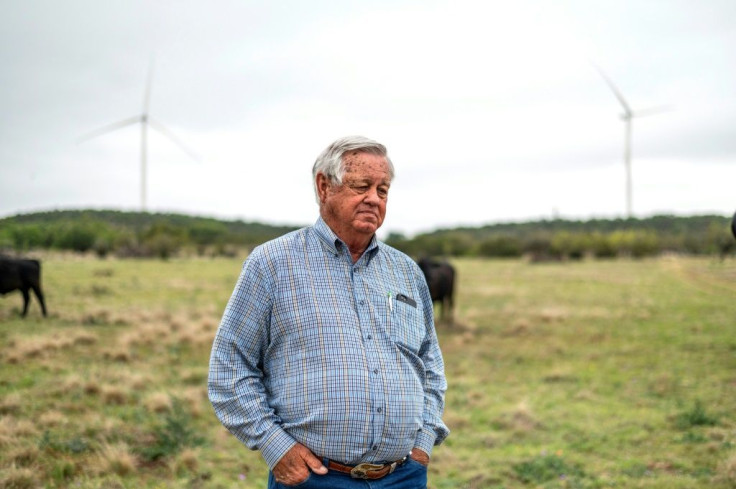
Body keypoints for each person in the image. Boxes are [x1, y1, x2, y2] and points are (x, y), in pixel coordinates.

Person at [208, 135, 449, 488]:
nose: (373, 198)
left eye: (382, 190)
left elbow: (430, 364)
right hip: (315, 478)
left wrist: (423, 443)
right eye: (361, 186)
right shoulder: (272, 264)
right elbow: (229, 365)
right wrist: (276, 446)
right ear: (324, 186)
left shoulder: (407, 271)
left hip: (403, 477)